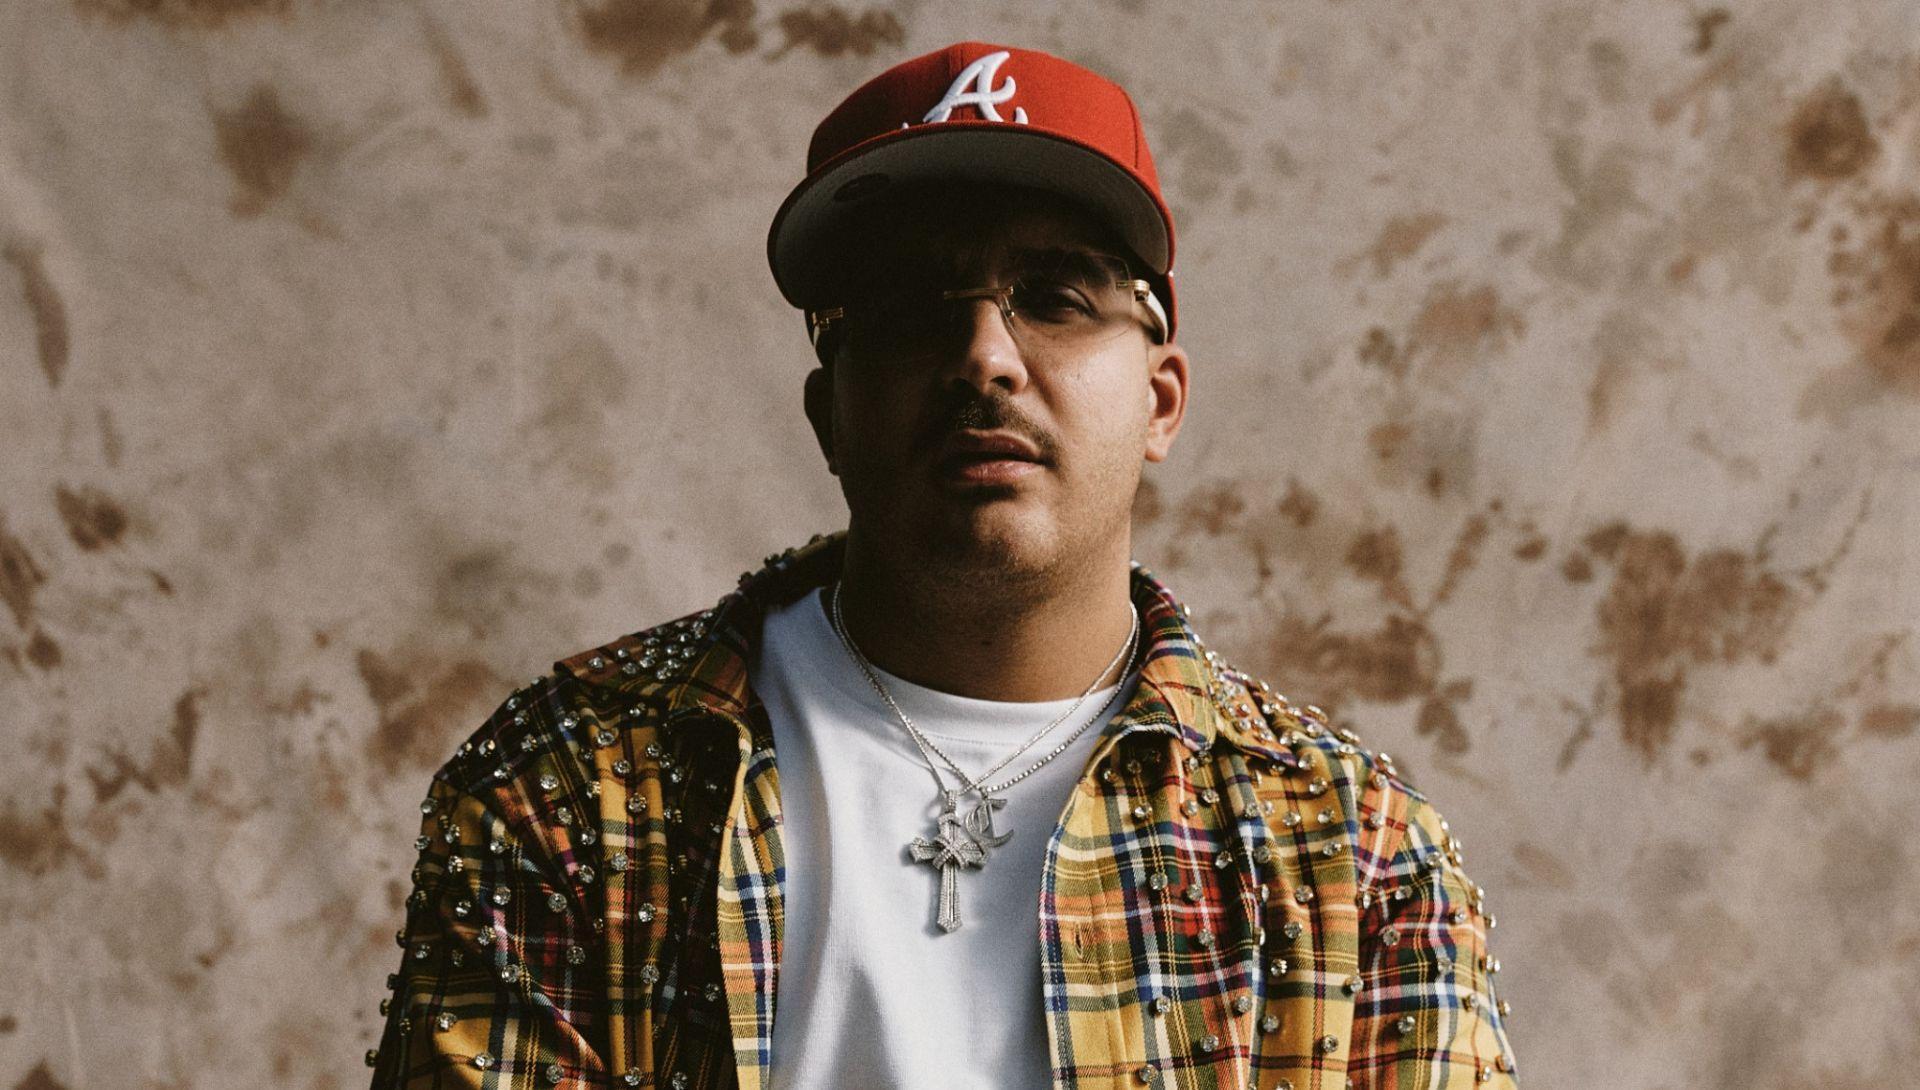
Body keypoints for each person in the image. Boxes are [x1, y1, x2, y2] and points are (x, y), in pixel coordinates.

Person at [366, 40, 1519, 1090]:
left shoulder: (1351, 851)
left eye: (1055, 297)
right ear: (828, 410)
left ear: (1161, 400)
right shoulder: (571, 788)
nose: (984, 356)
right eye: (913, 305)